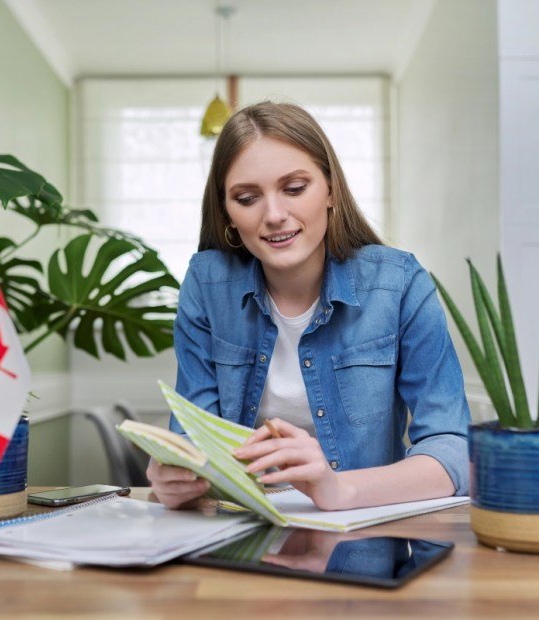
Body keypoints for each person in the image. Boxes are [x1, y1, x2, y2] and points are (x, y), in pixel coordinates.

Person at [147, 101, 470, 511]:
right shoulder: (207, 284)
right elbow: (195, 440)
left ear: (331, 189)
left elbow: (454, 449)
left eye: (295, 189)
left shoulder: (399, 283)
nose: (275, 215)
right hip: (242, 537)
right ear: (226, 213)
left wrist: (339, 489)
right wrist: (176, 478)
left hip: (364, 540)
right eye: (247, 198)